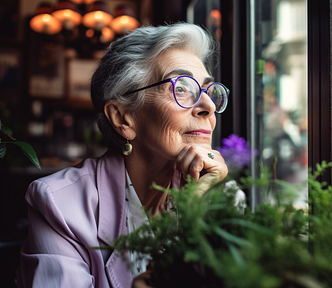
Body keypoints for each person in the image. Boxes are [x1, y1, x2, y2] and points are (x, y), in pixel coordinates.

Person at [17, 22, 230, 288]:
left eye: (210, 91)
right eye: (181, 88)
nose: (208, 106)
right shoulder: (59, 204)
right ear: (123, 118)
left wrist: (197, 203)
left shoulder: (218, 193)